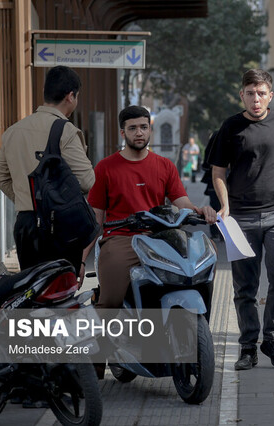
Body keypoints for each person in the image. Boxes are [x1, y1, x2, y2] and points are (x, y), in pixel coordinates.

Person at [209, 69, 274, 370]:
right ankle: (248, 347)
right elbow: (218, 171)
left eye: (261, 93)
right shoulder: (231, 127)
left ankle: (273, 339)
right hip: (241, 219)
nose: (256, 99)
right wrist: (224, 205)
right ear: (242, 94)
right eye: (251, 93)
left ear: (270, 95)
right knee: (245, 287)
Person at [83, 105, 216, 309]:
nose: (139, 133)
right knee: (110, 303)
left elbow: (182, 203)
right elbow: (95, 219)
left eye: (144, 127)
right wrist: (80, 260)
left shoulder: (165, 165)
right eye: (132, 128)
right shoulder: (105, 168)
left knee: (205, 255)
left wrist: (201, 210)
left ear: (150, 130)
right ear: (123, 133)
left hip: (160, 237)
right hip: (121, 238)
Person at [0, 65, 94, 279]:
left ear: (45, 93)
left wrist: (27, 200)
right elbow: (87, 181)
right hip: (60, 226)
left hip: (25, 225)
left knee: (31, 288)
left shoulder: (13, 131)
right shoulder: (65, 130)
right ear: (71, 96)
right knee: (60, 290)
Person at [200, 130, 222, 240]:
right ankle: (221, 232)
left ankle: (216, 232)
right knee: (220, 206)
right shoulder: (221, 135)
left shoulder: (216, 135)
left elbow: (206, 160)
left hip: (214, 179)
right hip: (222, 179)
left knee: (215, 206)